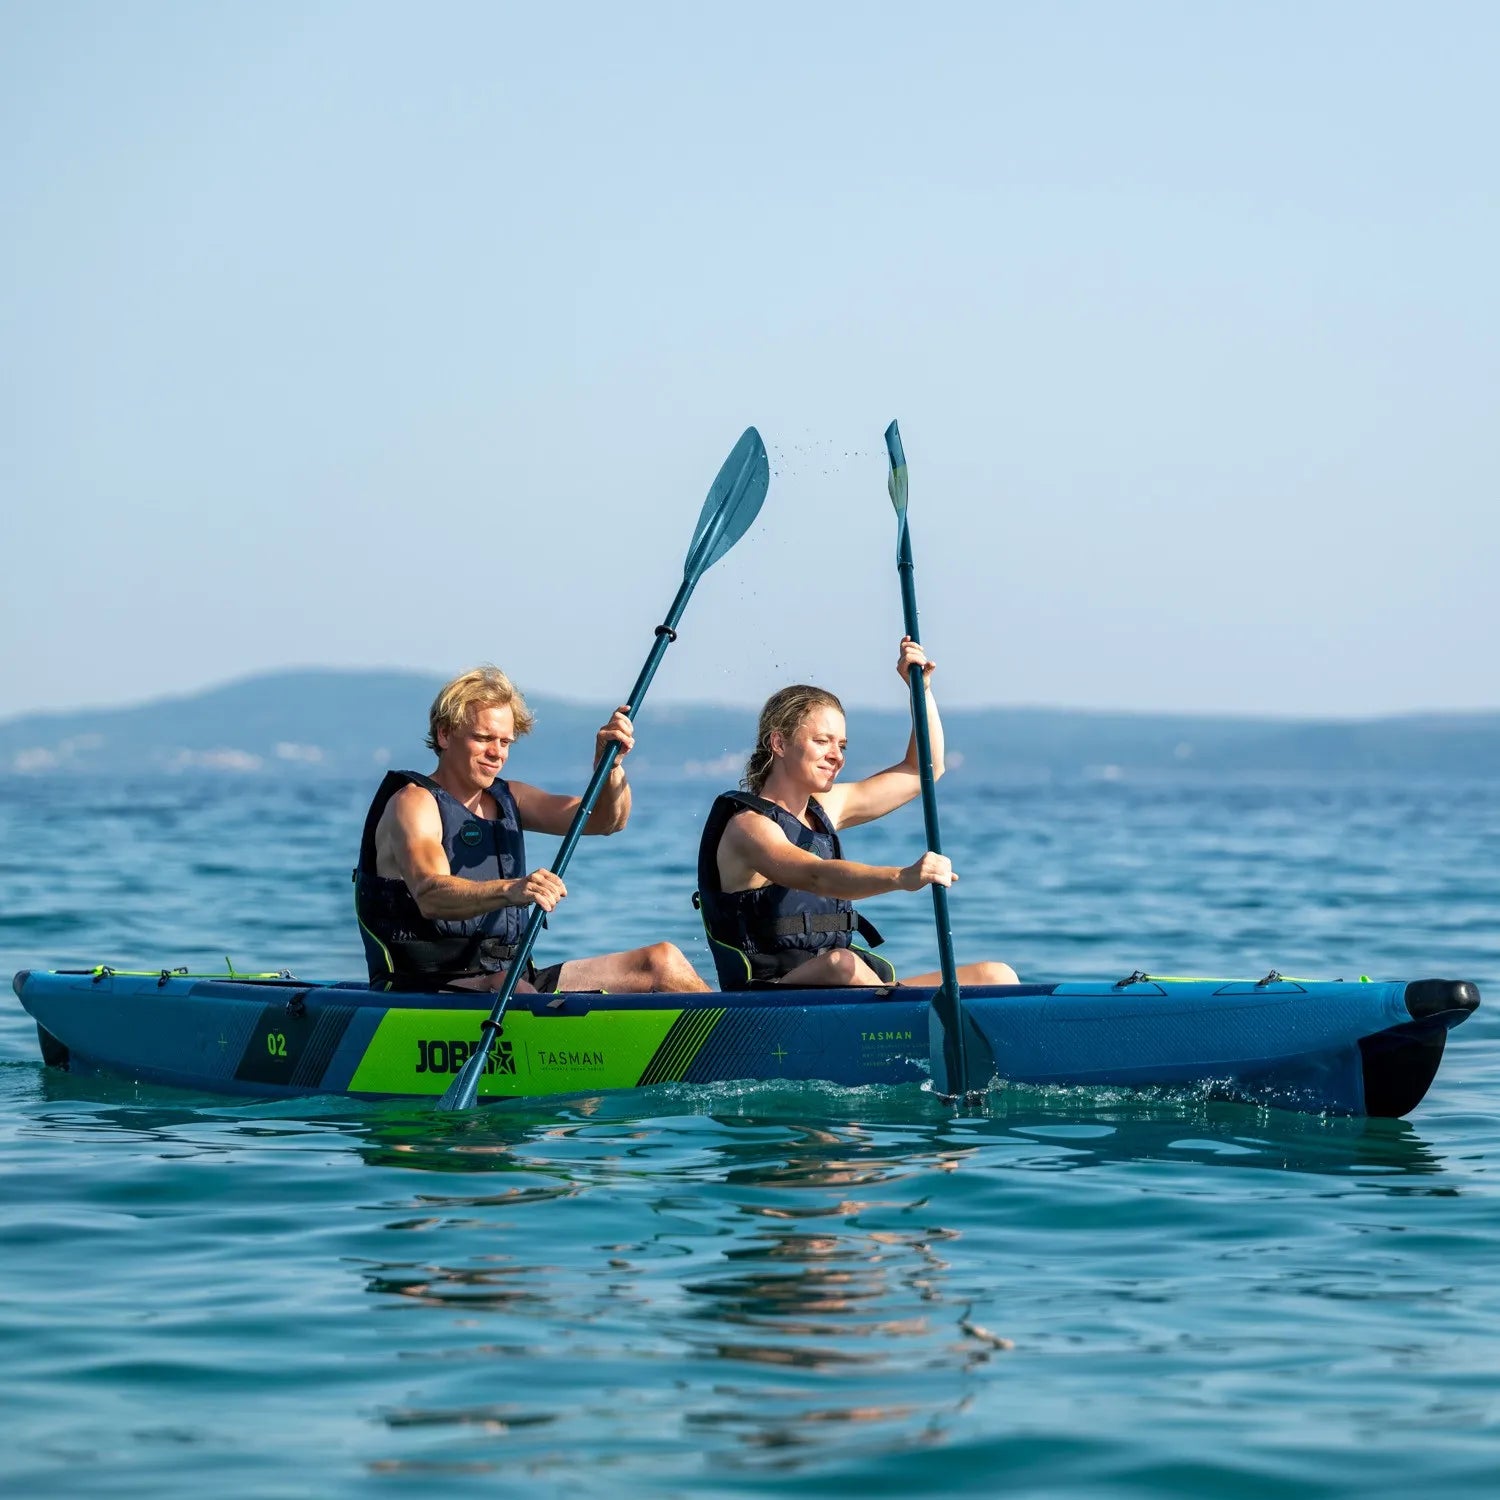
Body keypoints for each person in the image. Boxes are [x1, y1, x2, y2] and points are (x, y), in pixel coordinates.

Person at [355, 665, 707, 994]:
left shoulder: (512, 798)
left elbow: (606, 820)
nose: (496, 753)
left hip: (511, 979)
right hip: (426, 987)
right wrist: (513, 889)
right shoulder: (413, 803)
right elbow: (430, 894)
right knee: (511, 985)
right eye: (483, 738)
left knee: (661, 962)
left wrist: (610, 769)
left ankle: (743, 1038)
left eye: (505, 742)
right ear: (445, 735)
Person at [695, 638, 1018, 990]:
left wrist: (919, 691)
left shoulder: (825, 808)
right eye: (822, 741)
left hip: (848, 989)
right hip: (770, 1000)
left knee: (995, 976)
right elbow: (816, 876)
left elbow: (923, 769)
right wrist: (900, 877)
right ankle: (904, 1016)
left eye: (842, 745)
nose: (837, 756)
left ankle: (915, 1016)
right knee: (840, 964)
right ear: (780, 743)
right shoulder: (748, 827)